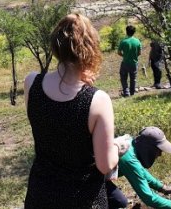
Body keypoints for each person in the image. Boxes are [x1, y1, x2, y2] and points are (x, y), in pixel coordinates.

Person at [24, 13, 121, 209]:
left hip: (40, 195)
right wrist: (118, 147)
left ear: (55, 45)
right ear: (90, 49)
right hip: (83, 199)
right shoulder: (97, 99)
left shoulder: (31, 82)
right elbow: (105, 164)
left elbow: (50, 126)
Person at [106, 127, 171, 209]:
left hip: (97, 175)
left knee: (119, 200)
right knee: (119, 202)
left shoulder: (131, 144)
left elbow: (141, 172)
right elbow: (148, 198)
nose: (160, 154)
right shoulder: (129, 160)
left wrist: (162, 187)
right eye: (159, 150)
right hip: (92, 179)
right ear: (149, 148)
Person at [117, 25, 141, 97]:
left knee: (123, 77)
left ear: (126, 32)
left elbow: (119, 52)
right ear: (134, 32)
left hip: (125, 62)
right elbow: (139, 53)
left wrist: (124, 55)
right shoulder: (137, 41)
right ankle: (132, 92)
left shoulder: (123, 41)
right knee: (133, 78)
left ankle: (126, 92)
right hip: (134, 63)